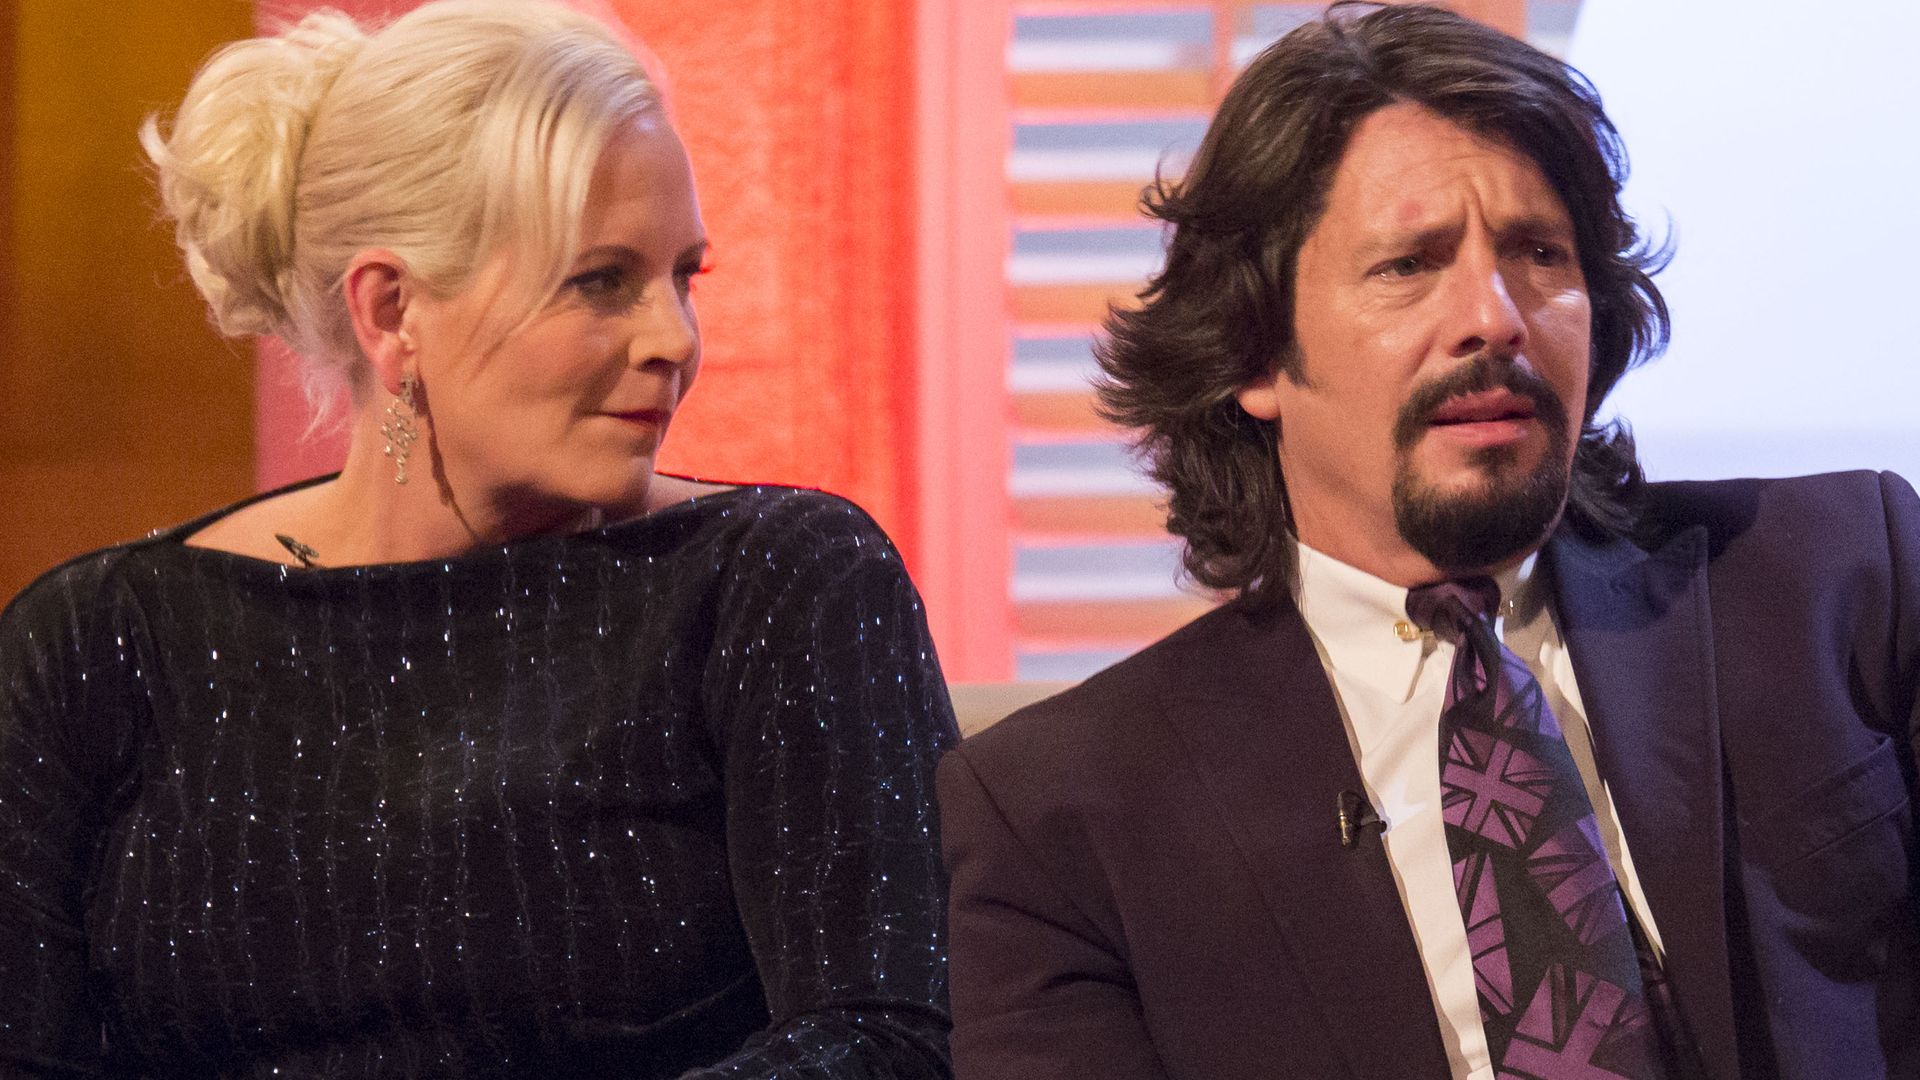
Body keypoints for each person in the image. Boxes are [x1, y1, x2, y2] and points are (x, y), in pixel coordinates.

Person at [937, 5, 1920, 1079]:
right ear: (1256, 354)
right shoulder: (1062, 819)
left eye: (1539, 253)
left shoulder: (1845, 577)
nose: (1494, 316)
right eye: (1409, 265)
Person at [0, 2, 957, 1076]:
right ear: (391, 311)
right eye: (601, 281)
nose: (675, 340)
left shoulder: (781, 583)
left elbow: (886, 1040)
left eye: (684, 275)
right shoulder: (96, 645)